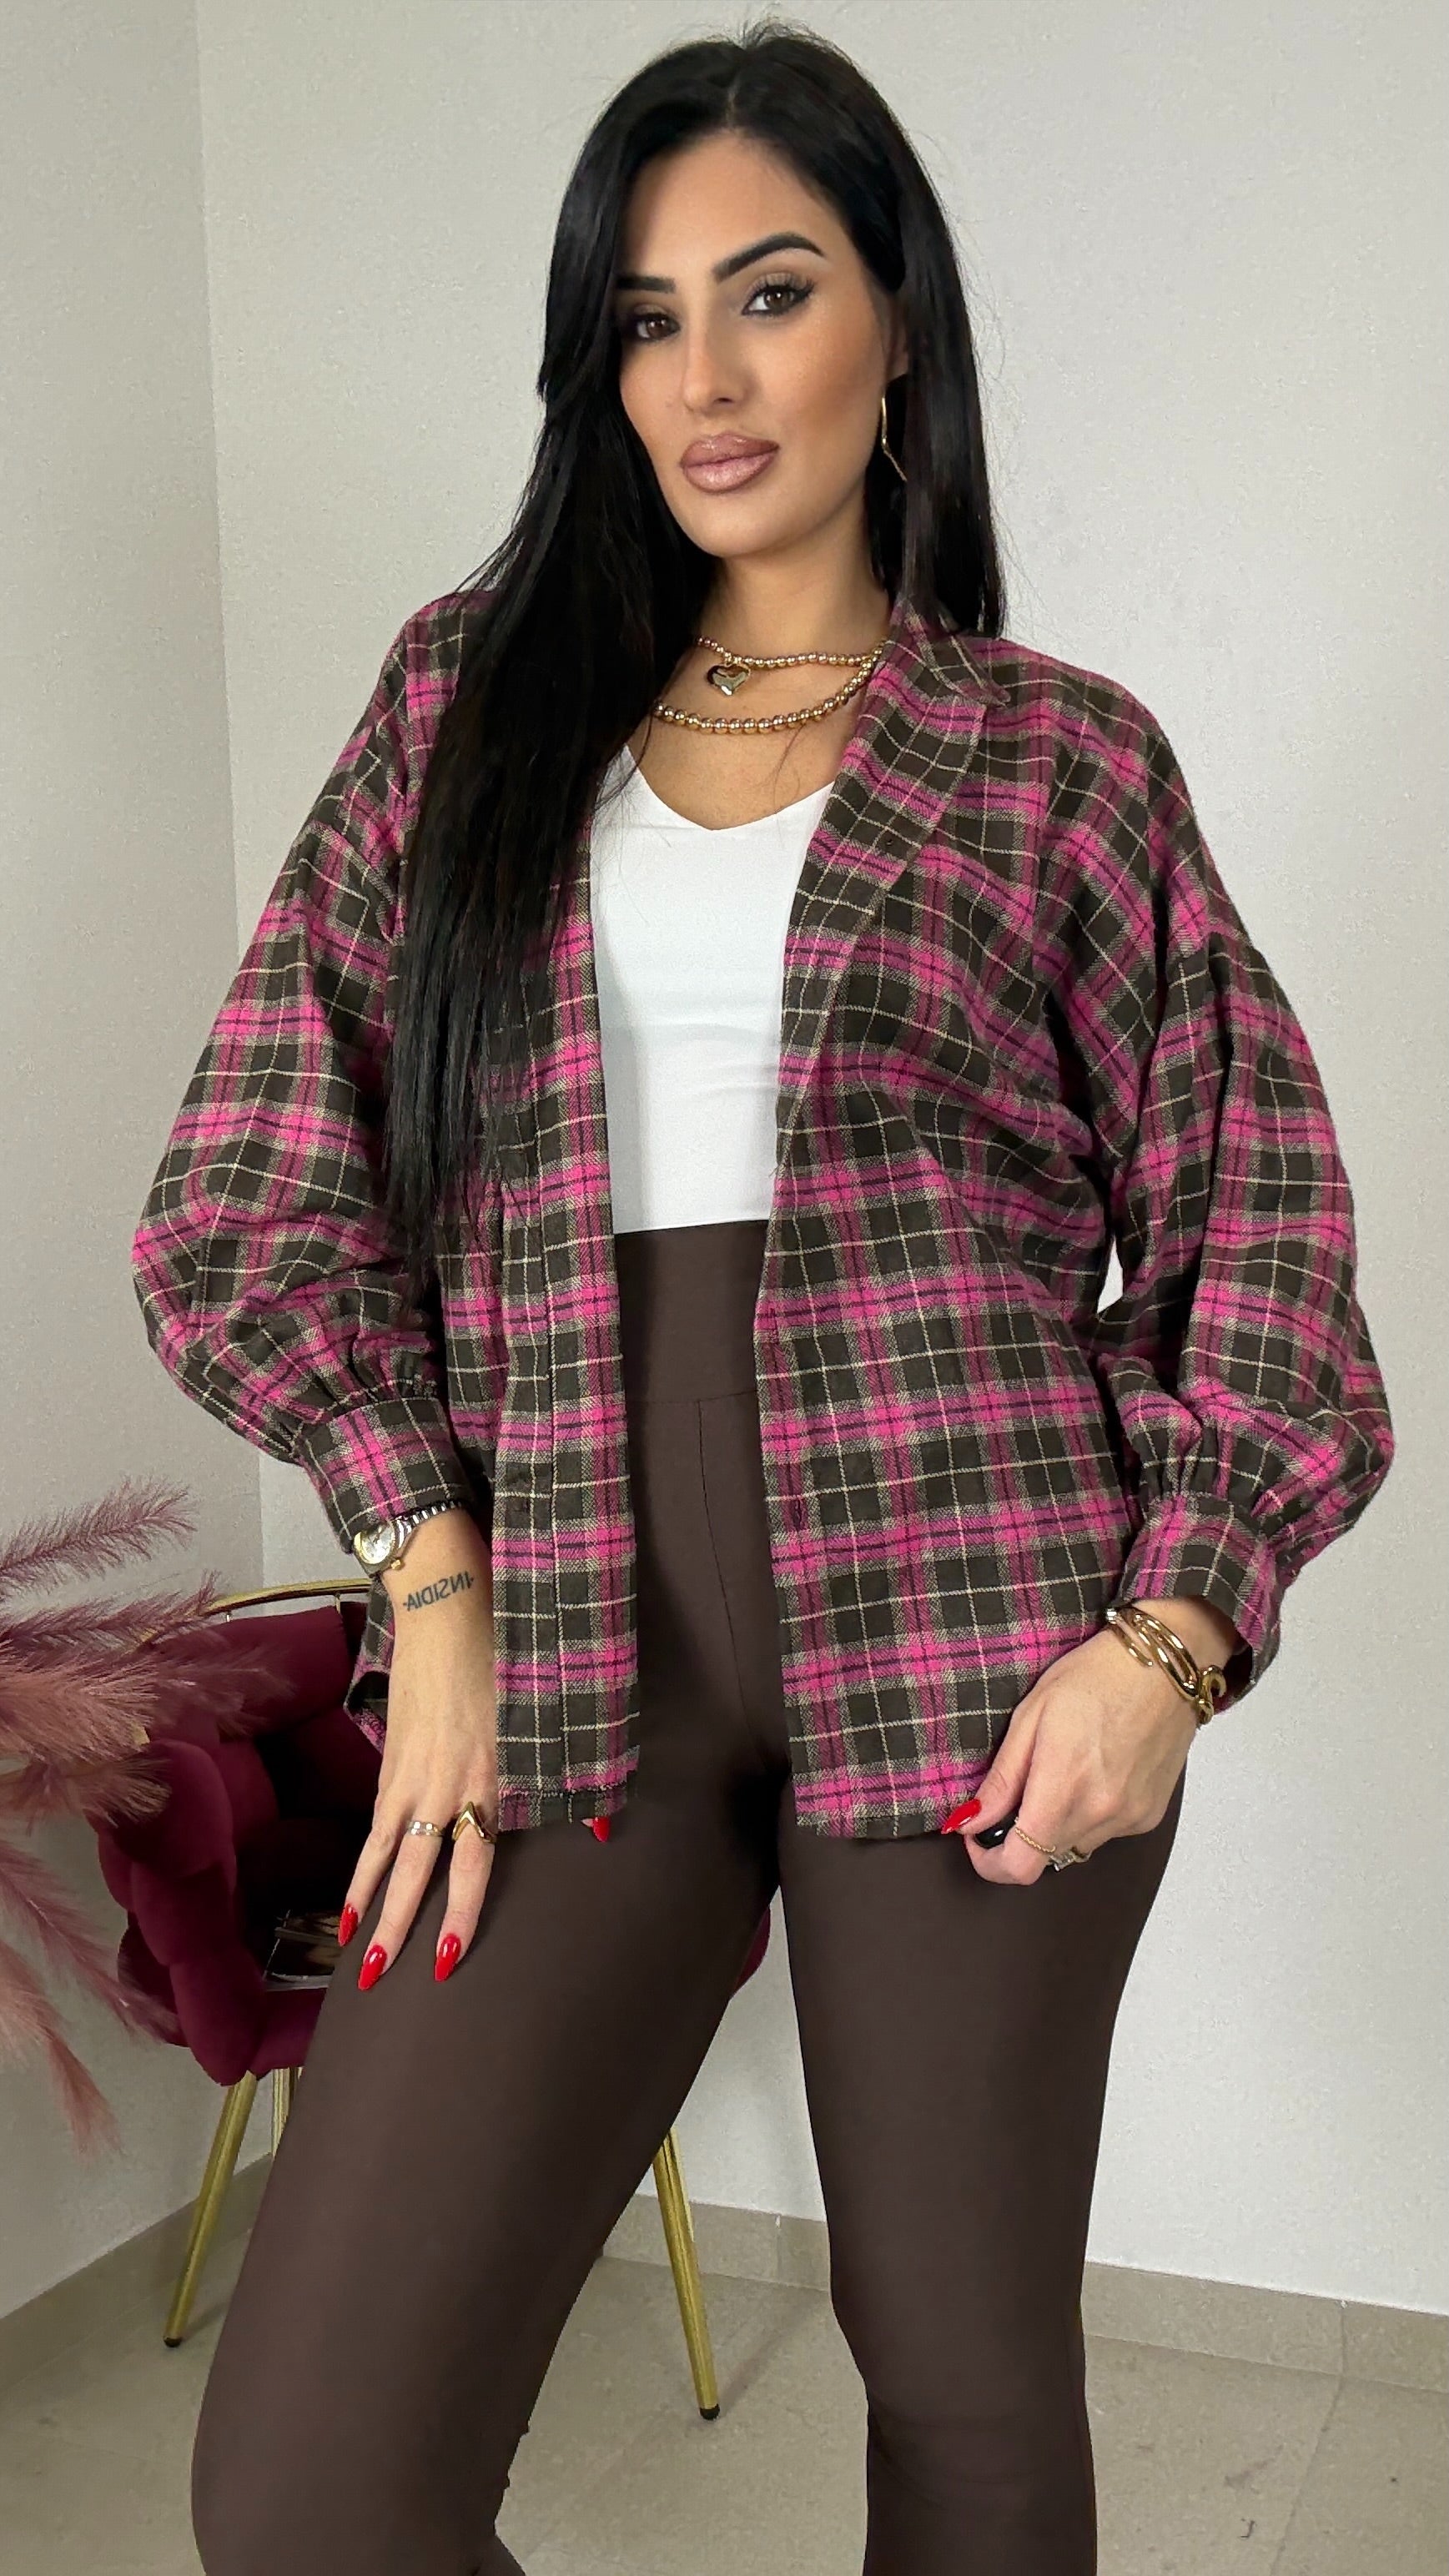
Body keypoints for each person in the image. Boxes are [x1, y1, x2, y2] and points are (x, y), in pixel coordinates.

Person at [129, 23, 1395, 2575]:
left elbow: (1260, 1238)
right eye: (642, 316)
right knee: (308, 2491)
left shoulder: (1053, 764)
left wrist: (1160, 1649)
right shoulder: (465, 710)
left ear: (894, 321)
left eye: (771, 291)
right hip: (562, 1642)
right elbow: (238, 1202)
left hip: (976, 1640)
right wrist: (430, 1581)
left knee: (962, 2400)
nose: (703, 375)